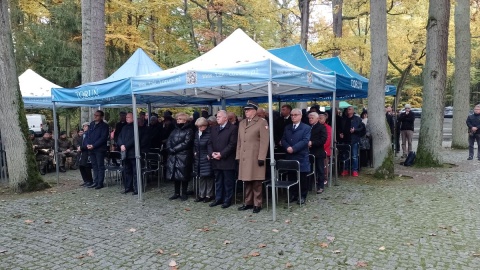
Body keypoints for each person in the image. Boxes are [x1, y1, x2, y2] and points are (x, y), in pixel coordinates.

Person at [235, 102, 269, 213]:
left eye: (248, 110)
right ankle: (248, 202)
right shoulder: (242, 123)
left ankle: (257, 204)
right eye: (245, 110)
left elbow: (265, 142)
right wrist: (238, 155)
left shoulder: (261, 122)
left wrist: (261, 157)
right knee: (246, 181)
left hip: (255, 157)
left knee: (256, 182)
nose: (246, 112)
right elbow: (239, 141)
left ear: (254, 111)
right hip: (245, 157)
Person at [208, 110, 238, 208]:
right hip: (216, 159)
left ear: (225, 118)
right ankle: (218, 198)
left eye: (219, 116)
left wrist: (221, 154)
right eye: (217, 116)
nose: (217, 118)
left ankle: (227, 200)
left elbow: (232, 144)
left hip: (227, 160)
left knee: (228, 181)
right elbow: (209, 142)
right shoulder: (214, 129)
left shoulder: (233, 128)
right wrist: (211, 153)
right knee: (218, 181)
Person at [281, 108, 311, 205]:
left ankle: (302, 195)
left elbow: (305, 141)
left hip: (301, 155)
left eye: (295, 115)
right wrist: (287, 147)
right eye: (292, 115)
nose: (293, 117)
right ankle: (293, 194)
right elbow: (283, 139)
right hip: (290, 156)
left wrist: (294, 148)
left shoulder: (306, 127)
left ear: (300, 116)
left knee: (302, 177)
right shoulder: (287, 127)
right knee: (291, 176)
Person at [165, 112, 194, 201]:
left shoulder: (189, 130)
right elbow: (169, 140)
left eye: (180, 119)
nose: (178, 120)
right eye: (177, 119)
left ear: (185, 120)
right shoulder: (174, 130)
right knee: (175, 175)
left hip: (183, 156)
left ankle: (184, 193)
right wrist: (169, 148)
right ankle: (176, 193)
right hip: (173, 156)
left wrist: (175, 149)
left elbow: (187, 142)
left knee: (183, 175)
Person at [337, 106, 364, 177]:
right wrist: (340, 133)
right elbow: (340, 128)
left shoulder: (357, 119)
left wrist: (355, 130)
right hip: (345, 140)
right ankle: (345, 169)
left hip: (354, 140)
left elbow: (362, 128)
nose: (348, 111)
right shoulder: (343, 119)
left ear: (353, 111)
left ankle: (354, 170)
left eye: (350, 109)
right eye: (347, 109)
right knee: (345, 155)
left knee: (354, 156)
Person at [86, 110, 109, 189]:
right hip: (91, 149)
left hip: (99, 149)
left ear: (101, 117)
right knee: (94, 165)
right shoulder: (92, 124)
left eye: (97, 115)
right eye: (94, 115)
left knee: (100, 166)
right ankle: (95, 181)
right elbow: (88, 135)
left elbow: (103, 138)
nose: (95, 116)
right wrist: (88, 144)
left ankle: (100, 182)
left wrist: (94, 145)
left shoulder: (104, 126)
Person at [193, 117, 214, 202]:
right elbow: (194, 144)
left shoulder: (210, 133)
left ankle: (209, 195)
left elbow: (211, 145)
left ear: (205, 126)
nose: (199, 128)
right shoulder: (197, 133)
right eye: (198, 127)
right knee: (201, 176)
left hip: (206, 157)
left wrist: (209, 154)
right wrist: (194, 151)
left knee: (208, 177)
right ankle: (201, 194)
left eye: (201, 126)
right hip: (198, 157)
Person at [308, 112, 327, 194]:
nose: (310, 119)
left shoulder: (321, 127)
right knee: (310, 169)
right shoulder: (308, 127)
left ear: (317, 118)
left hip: (318, 151)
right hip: (309, 152)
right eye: (309, 118)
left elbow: (323, 140)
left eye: (312, 118)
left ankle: (321, 186)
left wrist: (312, 143)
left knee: (320, 170)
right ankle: (309, 186)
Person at [318, 113, 332, 187]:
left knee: (325, 165)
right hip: (318, 148)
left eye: (321, 118)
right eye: (319, 118)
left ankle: (325, 178)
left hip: (325, 149)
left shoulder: (328, 128)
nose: (319, 119)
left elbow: (328, 139)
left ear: (325, 119)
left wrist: (321, 147)